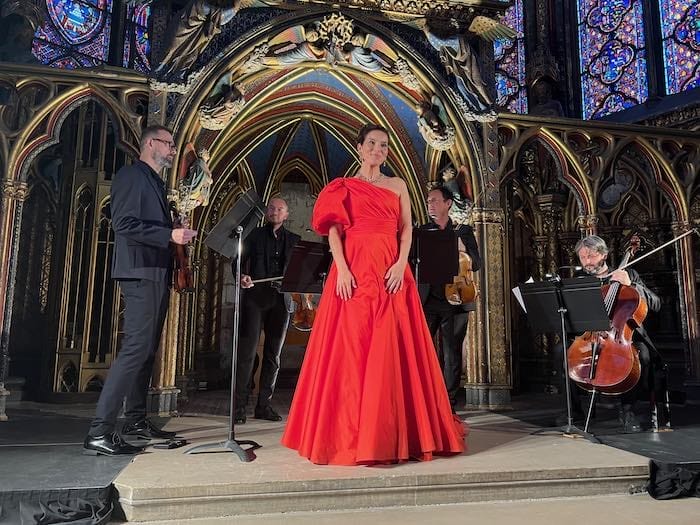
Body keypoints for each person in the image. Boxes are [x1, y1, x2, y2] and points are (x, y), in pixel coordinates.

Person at [281, 124, 466, 465]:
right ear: (359, 147)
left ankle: (390, 433)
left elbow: (407, 227)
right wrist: (343, 269)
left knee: (391, 348)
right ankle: (349, 435)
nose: (378, 150)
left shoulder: (398, 185)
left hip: (391, 272)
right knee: (351, 350)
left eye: (384, 145)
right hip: (351, 272)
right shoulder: (342, 187)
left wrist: (400, 264)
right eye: (372, 143)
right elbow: (334, 232)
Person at [84, 126, 197, 456]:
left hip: (154, 271)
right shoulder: (133, 176)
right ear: (151, 144)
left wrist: (172, 229)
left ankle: (134, 420)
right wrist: (169, 236)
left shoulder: (154, 182)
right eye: (169, 144)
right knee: (135, 349)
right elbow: (124, 224)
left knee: (146, 350)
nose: (174, 150)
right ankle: (100, 431)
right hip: (139, 271)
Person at [569, 235, 666, 432]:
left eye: (591, 256)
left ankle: (627, 410)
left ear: (604, 255)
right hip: (590, 337)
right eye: (582, 258)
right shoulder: (580, 282)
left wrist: (631, 284)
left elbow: (656, 304)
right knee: (561, 352)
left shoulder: (628, 273)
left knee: (642, 356)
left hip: (624, 337)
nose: (587, 262)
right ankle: (576, 412)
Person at [234, 198, 300, 424]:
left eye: (279, 209)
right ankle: (239, 407)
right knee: (247, 353)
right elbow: (238, 261)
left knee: (273, 355)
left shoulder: (295, 240)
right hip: (255, 298)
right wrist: (242, 276)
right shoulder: (253, 235)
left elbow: (302, 271)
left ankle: (264, 406)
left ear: (286, 214)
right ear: (266, 212)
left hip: (281, 301)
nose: (275, 212)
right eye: (271, 208)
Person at [418, 186, 482, 412]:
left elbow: (476, 263)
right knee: (421, 350)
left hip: (457, 297)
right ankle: (423, 398)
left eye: (435, 201)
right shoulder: (423, 231)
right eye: (428, 202)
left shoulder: (463, 231)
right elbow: (414, 264)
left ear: (448, 204)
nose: (431, 205)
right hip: (428, 299)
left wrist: (462, 248)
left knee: (452, 351)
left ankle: (448, 402)